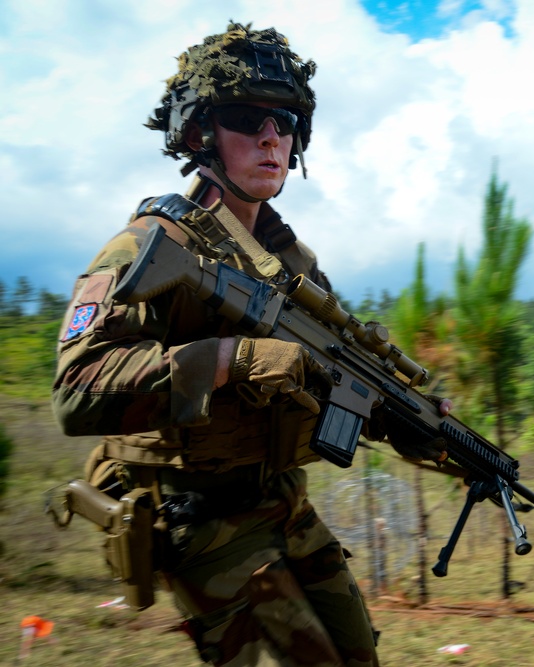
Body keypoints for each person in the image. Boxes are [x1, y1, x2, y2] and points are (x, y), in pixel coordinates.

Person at [51, 22, 448, 667]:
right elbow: (75, 391)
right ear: (198, 134)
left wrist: (416, 424)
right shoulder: (149, 247)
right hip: (198, 514)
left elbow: (334, 378)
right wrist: (232, 360)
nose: (271, 136)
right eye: (245, 116)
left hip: (282, 502)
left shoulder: (291, 260)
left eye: (285, 121)